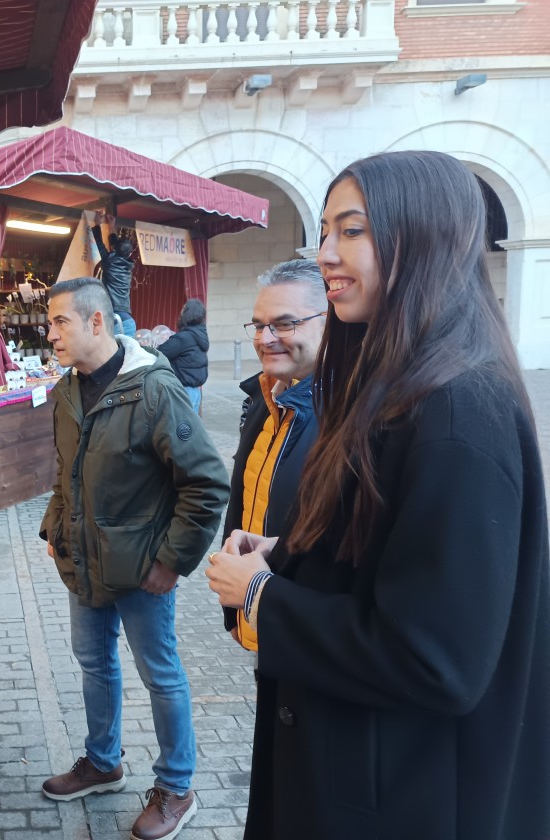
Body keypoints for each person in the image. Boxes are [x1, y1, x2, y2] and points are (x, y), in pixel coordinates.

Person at [205, 151, 550, 839]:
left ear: (423, 234)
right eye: (325, 230)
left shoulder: (458, 411)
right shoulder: (404, 385)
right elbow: (397, 559)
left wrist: (263, 595)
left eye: (351, 230)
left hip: (401, 799)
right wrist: (296, 554)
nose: (326, 253)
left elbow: (437, 659)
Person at [39, 277, 229, 840]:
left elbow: (206, 483)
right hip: (83, 565)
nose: (50, 334)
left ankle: (177, 787)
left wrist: (172, 561)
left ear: (97, 322)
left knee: (160, 675)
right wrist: (55, 525)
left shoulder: (154, 389)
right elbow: (64, 472)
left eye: (60, 322)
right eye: (49, 322)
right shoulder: (69, 391)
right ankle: (104, 763)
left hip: (143, 572)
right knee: (94, 663)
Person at [222, 260, 325, 650]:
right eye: (258, 325)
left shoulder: (356, 420)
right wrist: (236, 608)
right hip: (259, 609)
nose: (265, 338)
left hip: (308, 633)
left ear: (329, 322)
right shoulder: (268, 399)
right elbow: (244, 501)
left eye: (284, 324)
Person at [156, 298, 210, 414]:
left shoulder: (183, 337)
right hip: (195, 391)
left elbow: (160, 353)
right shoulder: (200, 333)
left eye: (183, 309)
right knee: (190, 428)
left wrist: (164, 341)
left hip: (184, 391)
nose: (181, 311)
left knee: (180, 428)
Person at [91, 217, 137, 336]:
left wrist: (97, 223)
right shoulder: (128, 264)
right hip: (127, 320)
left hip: (116, 320)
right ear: (130, 253)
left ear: (114, 249)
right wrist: (111, 225)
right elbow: (114, 246)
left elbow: (99, 243)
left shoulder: (109, 262)